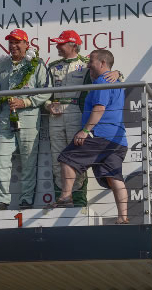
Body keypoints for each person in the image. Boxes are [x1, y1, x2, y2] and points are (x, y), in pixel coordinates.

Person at [45, 30, 123, 207]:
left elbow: (107, 74)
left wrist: (118, 73)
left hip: (76, 112)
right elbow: (44, 93)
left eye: (61, 43)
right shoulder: (52, 66)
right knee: (57, 156)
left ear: (73, 45)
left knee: (76, 157)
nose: (57, 46)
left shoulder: (86, 64)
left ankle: (79, 200)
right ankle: (62, 198)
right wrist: (48, 105)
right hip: (55, 115)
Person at [56, 49, 129, 224]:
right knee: (114, 177)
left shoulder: (103, 81)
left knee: (67, 158)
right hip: (118, 140)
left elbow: (99, 108)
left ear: (103, 63)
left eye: (92, 61)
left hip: (100, 135)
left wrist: (85, 131)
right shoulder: (116, 81)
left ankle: (65, 197)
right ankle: (123, 217)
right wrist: (118, 72)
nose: (88, 65)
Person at [0, 29, 51, 210]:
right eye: (11, 42)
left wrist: (25, 102)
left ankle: (26, 200)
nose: (13, 45)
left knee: (28, 161)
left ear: (27, 44)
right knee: (1, 160)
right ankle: (1, 201)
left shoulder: (37, 63)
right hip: (5, 118)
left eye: (18, 42)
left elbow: (47, 90)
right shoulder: (1, 66)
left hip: (29, 117)